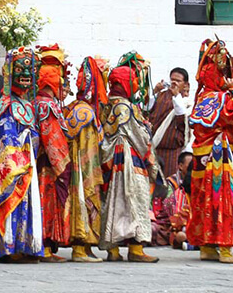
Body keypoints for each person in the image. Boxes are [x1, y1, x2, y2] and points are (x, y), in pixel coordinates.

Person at [187, 39, 233, 264]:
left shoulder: (201, 99)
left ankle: (207, 246)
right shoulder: (222, 99)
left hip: (201, 160)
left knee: (204, 200)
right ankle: (226, 248)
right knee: (222, 199)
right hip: (220, 159)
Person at [0, 48, 44, 262]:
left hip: (28, 163)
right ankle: (8, 248)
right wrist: (14, 158)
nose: (25, 75)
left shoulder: (29, 104)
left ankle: (26, 247)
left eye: (30, 70)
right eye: (19, 69)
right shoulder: (5, 104)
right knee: (10, 202)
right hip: (11, 163)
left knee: (28, 203)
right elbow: (4, 133)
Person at [99, 62, 159, 262]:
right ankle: (135, 248)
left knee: (115, 202)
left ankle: (113, 249)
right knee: (135, 200)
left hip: (113, 161)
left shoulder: (109, 105)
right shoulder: (126, 107)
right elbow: (139, 138)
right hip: (129, 159)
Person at [66, 57, 107, 262]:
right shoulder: (85, 112)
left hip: (87, 166)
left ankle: (88, 246)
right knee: (84, 199)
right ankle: (80, 249)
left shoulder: (79, 108)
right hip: (83, 168)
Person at [32, 57, 72, 262]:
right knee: (46, 203)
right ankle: (46, 249)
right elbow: (52, 138)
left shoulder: (34, 102)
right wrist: (63, 165)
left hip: (36, 163)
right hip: (47, 166)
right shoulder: (47, 105)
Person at [149, 68, 192, 177]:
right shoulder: (161, 96)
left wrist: (176, 95)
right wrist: (155, 92)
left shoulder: (186, 102)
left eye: (178, 81)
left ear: (185, 84)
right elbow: (148, 111)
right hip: (155, 150)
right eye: (172, 80)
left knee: (169, 185)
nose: (174, 83)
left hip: (172, 154)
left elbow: (182, 121)